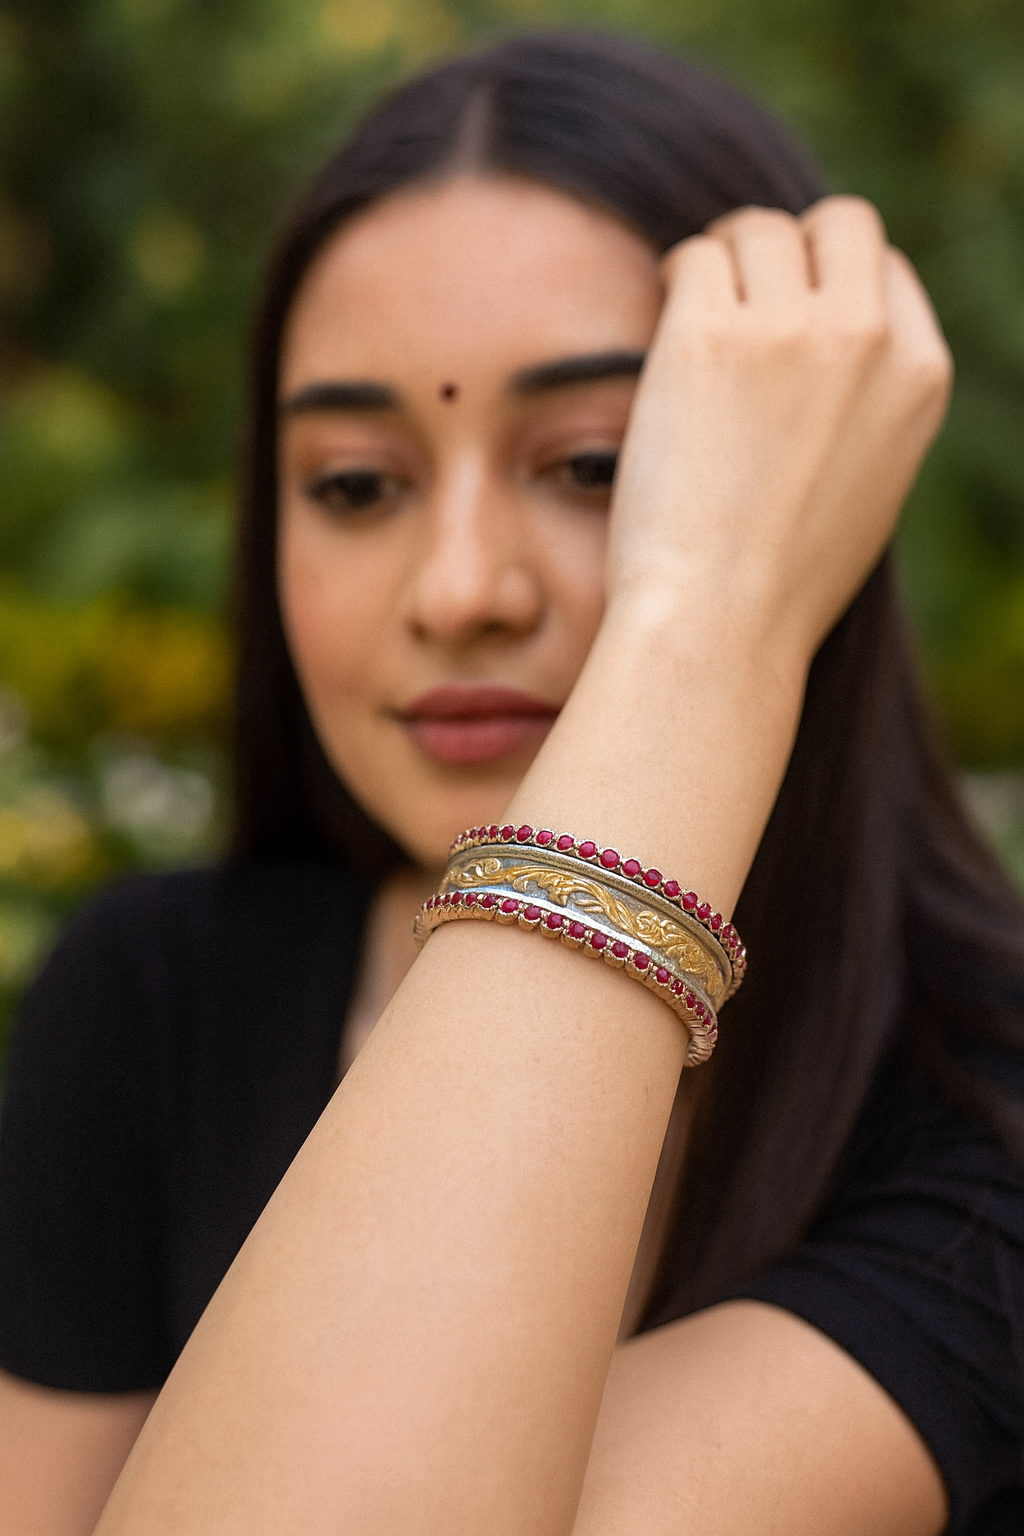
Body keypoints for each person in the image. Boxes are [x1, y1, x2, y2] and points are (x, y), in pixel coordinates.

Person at [0, 28, 1020, 1535]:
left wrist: (705, 622)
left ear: (806, 505)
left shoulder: (988, 1120)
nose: (463, 589)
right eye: (356, 484)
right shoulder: (156, 995)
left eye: (600, 465)